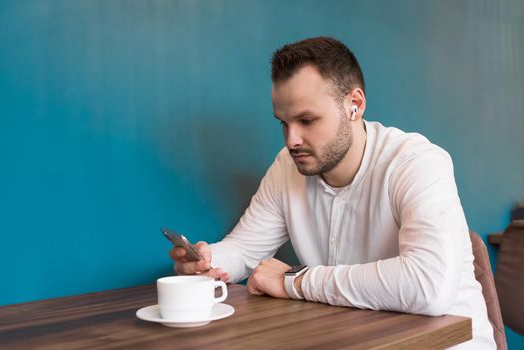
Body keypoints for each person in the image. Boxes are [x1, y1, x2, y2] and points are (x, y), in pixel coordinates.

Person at [169, 37, 495, 348]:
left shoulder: (417, 163)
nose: (291, 139)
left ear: (354, 105)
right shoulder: (288, 167)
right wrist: (209, 261)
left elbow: (428, 287)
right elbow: (243, 249)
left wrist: (293, 281)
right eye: (283, 122)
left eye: (307, 120)